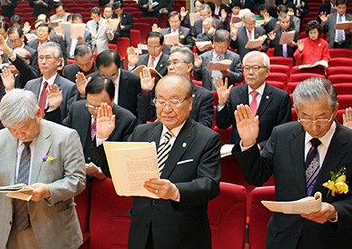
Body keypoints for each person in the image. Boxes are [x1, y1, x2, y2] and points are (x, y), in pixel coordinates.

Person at [94, 74, 221, 248]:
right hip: (143, 232)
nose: (166, 109)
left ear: (190, 103)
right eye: (160, 101)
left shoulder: (207, 138)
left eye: (174, 102)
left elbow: (210, 185)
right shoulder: (142, 132)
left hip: (183, 236)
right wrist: (102, 138)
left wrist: (175, 191)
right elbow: (115, 172)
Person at [232, 77, 352, 248]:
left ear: (335, 110)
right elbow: (256, 176)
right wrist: (248, 143)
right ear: (297, 110)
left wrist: (335, 211)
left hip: (329, 240)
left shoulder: (350, 143)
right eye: (305, 117)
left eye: (322, 117)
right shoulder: (282, 135)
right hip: (284, 238)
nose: (314, 126)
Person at [0, 89, 86, 248]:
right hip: (12, 229)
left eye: (24, 127)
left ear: (38, 114)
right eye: (12, 129)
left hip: (52, 228)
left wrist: (47, 190)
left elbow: (77, 181)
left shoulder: (65, 137)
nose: (19, 134)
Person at [46, 75, 137, 174]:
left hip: (107, 178)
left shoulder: (127, 120)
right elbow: (60, 136)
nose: (95, 111)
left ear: (112, 99)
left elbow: (124, 159)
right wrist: (54, 109)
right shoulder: (77, 108)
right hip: (76, 174)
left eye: (100, 106)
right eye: (90, 105)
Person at [215, 51, 291, 148]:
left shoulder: (280, 98)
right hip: (238, 152)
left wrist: (259, 147)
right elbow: (223, 125)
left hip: (265, 154)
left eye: (256, 68)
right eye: (247, 68)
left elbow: (283, 134)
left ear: (267, 72)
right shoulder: (234, 93)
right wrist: (222, 103)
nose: (250, 72)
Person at [137, 47, 215, 127]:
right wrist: (146, 91)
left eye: (175, 63)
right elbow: (145, 116)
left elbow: (204, 127)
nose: (170, 67)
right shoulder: (162, 90)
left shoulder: (204, 96)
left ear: (189, 67)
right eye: (169, 63)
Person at [0, 33, 37, 133]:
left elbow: (25, 69)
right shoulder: (5, 73)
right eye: (9, 58)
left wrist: (8, 51)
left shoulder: (30, 77)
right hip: (0, 123)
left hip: (20, 123)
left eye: (14, 58)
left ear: (26, 62)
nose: (10, 61)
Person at [25, 42, 78, 120]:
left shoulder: (69, 87)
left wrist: (53, 109)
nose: (43, 62)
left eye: (48, 58)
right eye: (41, 58)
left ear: (58, 61)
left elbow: (69, 119)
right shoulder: (30, 85)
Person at [88, 50, 141, 116]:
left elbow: (142, 112)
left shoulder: (134, 81)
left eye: (113, 75)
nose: (109, 79)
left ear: (119, 67)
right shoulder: (91, 79)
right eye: (104, 76)